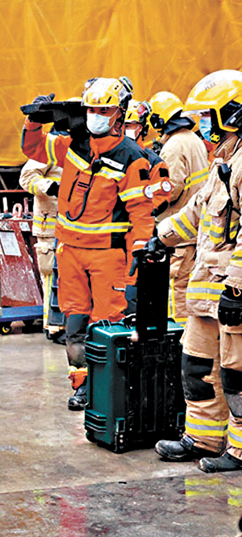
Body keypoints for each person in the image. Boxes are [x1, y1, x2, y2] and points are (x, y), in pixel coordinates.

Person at [21, 77, 155, 410]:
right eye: (91, 109)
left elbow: (141, 212)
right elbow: (33, 149)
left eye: (104, 110)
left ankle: (111, 387)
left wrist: (139, 251)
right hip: (69, 253)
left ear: (119, 113)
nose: (95, 115)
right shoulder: (73, 145)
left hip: (108, 256)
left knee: (108, 325)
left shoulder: (132, 158)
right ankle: (81, 386)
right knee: (75, 324)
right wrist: (34, 120)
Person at [152, 70, 242, 472]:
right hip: (206, 293)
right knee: (198, 367)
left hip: (232, 295)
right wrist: (161, 236)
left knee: (237, 376)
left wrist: (238, 289)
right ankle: (203, 439)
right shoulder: (222, 158)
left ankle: (239, 452)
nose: (204, 124)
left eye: (210, 116)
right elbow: (196, 213)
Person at [148, 91, 211, 327]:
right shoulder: (193, 139)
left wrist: (148, 199)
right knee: (188, 283)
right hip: (196, 226)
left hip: (178, 231)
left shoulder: (173, 146)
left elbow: (170, 189)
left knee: (176, 287)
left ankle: (177, 334)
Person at [19, 156, 62, 339]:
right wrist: (50, 188)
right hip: (51, 228)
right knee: (51, 276)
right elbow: (27, 178)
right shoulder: (50, 149)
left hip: (77, 226)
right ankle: (53, 326)